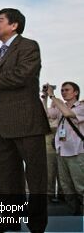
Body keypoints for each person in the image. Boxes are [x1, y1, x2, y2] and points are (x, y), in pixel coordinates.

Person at [0, 8, 50, 232]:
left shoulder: (28, 46)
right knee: (6, 178)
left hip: (26, 122)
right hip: (1, 127)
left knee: (35, 178)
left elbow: (21, 76)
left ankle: (37, 225)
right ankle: (10, 222)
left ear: (14, 25)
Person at [44, 82, 84, 215]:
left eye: (67, 90)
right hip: (61, 152)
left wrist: (53, 96)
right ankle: (74, 213)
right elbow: (46, 115)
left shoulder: (81, 107)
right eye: (62, 90)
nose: (64, 92)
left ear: (76, 92)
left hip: (76, 152)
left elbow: (68, 114)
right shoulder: (61, 107)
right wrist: (44, 97)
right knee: (67, 187)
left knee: (80, 186)